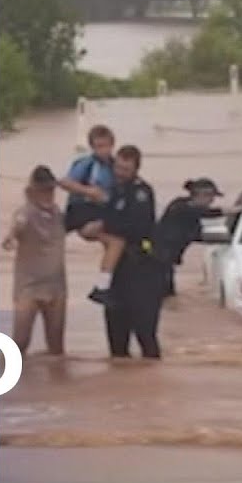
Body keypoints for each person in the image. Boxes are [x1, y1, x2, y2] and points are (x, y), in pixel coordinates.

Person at [98, 145, 163, 359]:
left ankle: (152, 383)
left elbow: (137, 227)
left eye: (125, 169)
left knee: (145, 334)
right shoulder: (113, 190)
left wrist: (104, 228)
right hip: (118, 270)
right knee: (116, 336)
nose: (120, 173)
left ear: (136, 169)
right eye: (118, 167)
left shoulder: (142, 192)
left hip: (142, 270)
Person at [2, 165, 68, 357]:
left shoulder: (59, 215)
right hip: (29, 288)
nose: (48, 195)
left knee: (56, 350)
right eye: (43, 191)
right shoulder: (25, 213)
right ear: (32, 191)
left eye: (51, 190)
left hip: (56, 287)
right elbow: (17, 227)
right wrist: (11, 237)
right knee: (19, 343)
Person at [58, 125, 123, 303]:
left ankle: (106, 283)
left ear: (112, 145)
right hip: (81, 210)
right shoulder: (86, 163)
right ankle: (103, 286)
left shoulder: (116, 165)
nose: (103, 150)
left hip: (101, 212)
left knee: (116, 241)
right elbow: (64, 182)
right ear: (92, 147)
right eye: (98, 146)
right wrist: (89, 191)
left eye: (106, 146)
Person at [156, 178, 227, 297]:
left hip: (166, 261)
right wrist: (233, 210)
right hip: (156, 260)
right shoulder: (180, 207)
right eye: (211, 197)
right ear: (202, 195)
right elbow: (207, 213)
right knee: (162, 295)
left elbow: (200, 236)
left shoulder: (192, 215)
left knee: (168, 295)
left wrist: (227, 239)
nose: (212, 201)